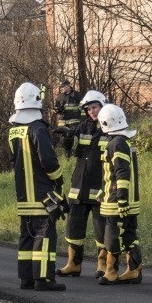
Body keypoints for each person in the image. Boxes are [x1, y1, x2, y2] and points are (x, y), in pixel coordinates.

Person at [8, 82, 67, 291]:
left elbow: (13, 160)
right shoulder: (38, 128)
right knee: (44, 234)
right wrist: (58, 179)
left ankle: (27, 278)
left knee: (27, 235)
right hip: (42, 193)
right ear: (37, 102)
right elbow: (49, 160)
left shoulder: (14, 130)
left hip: (23, 194)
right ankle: (44, 279)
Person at [57, 90, 109, 278]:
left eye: (94, 107)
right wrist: (68, 137)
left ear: (103, 105)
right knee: (73, 228)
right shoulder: (83, 127)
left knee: (102, 230)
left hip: (100, 189)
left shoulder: (111, 128)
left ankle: (103, 265)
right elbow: (71, 149)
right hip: (78, 187)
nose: (91, 112)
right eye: (88, 109)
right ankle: (73, 264)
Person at [96, 104, 142, 285]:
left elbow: (122, 173)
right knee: (129, 235)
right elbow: (113, 174)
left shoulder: (116, 144)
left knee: (112, 236)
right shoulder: (123, 142)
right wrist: (103, 190)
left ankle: (111, 271)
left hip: (117, 202)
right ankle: (134, 270)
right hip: (126, 199)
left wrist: (121, 200)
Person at [55, 79, 83, 157]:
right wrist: (57, 110)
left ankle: (75, 154)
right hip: (63, 122)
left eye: (63, 86)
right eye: (61, 87)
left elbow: (83, 108)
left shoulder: (77, 95)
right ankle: (67, 156)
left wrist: (82, 119)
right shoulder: (60, 96)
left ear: (68, 85)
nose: (62, 88)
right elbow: (56, 107)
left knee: (74, 138)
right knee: (64, 140)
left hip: (74, 122)